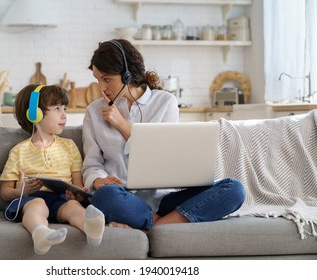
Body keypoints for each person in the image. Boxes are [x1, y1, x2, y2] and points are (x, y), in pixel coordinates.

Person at [82, 39, 245, 230]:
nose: (101, 88)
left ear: (127, 75)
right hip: (121, 197)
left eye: (107, 79)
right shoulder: (94, 111)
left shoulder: (165, 102)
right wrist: (99, 180)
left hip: (163, 199)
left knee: (234, 189)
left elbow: (162, 158)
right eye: (97, 79)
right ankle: (164, 224)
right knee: (104, 196)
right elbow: (92, 165)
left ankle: (151, 224)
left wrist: (122, 125)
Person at [0, 84, 105, 255]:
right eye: (57, 108)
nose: (64, 115)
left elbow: (78, 185)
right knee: (38, 204)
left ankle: (91, 229)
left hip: (61, 198)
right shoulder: (19, 151)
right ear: (35, 113)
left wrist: (77, 194)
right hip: (31, 198)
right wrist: (21, 191)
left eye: (64, 108)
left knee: (72, 206)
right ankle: (40, 233)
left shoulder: (69, 147)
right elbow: (5, 192)